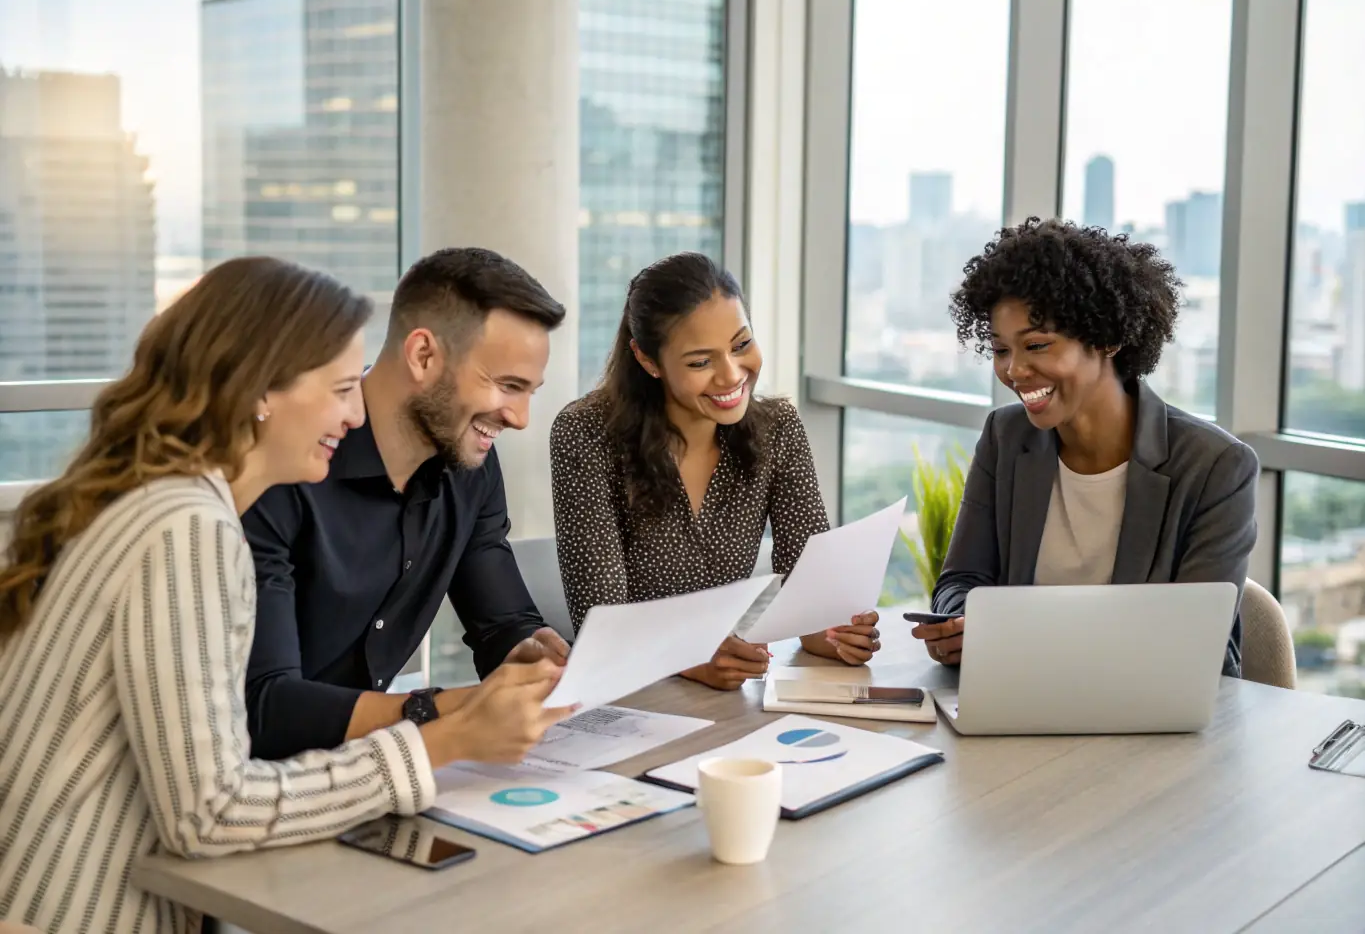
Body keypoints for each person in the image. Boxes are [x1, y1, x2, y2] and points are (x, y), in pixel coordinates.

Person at [0, 258, 573, 934]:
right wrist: (438, 740)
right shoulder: (187, 529)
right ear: (260, 393)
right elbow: (210, 812)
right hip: (80, 912)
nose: (357, 410)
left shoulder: (170, 503)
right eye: (338, 389)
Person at [243, 247, 572, 761]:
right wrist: (445, 713)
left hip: (373, 774)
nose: (522, 418)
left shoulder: (473, 465)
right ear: (423, 356)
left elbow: (500, 622)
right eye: (507, 386)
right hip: (267, 785)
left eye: (530, 391)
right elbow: (264, 708)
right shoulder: (283, 468)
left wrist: (528, 654)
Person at [910, 218, 1258, 677]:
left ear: (1108, 338)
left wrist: (1017, 636)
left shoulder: (1215, 466)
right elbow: (963, 579)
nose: (1014, 371)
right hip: (1022, 692)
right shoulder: (1006, 436)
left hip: (1156, 711)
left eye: (1037, 345)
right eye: (1000, 350)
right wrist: (960, 624)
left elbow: (1194, 640)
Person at [550, 253, 881, 691]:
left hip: (721, 702)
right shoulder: (585, 432)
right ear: (648, 361)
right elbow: (601, 618)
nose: (731, 375)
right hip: (624, 695)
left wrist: (835, 634)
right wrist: (690, 656)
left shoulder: (777, 428)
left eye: (741, 344)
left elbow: (809, 589)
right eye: (699, 362)